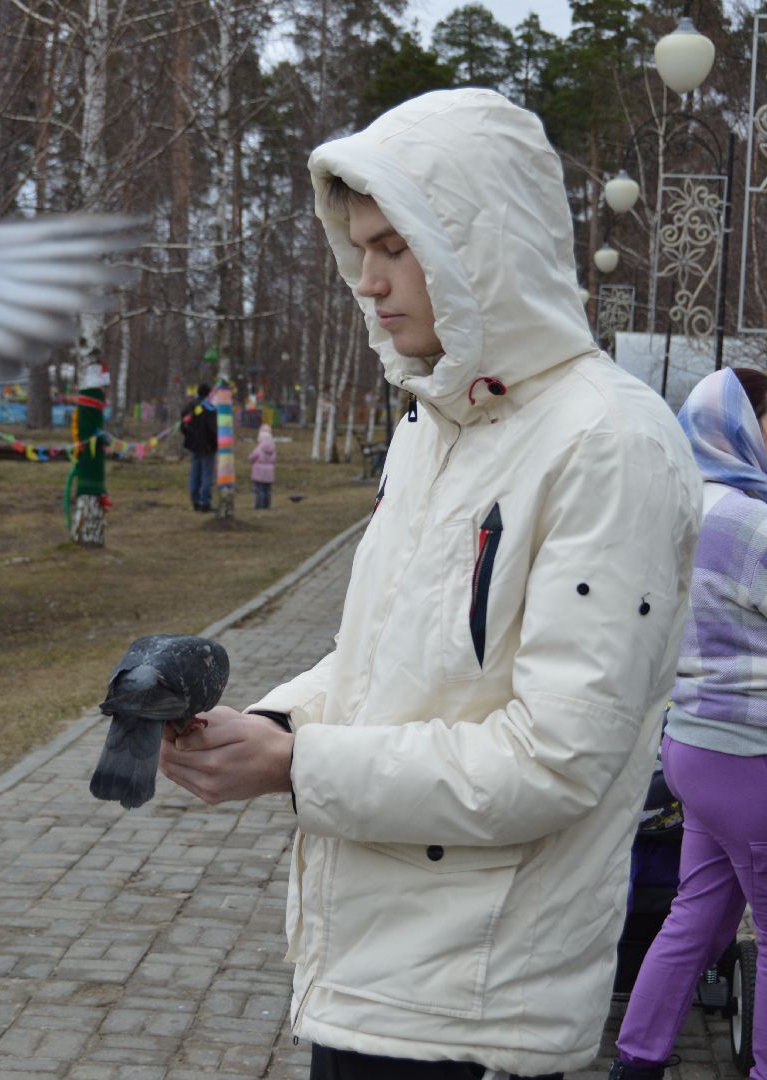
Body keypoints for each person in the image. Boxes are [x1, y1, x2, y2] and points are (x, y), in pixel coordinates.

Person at [158, 88, 702, 1079]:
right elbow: (388, 659)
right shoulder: (436, 424)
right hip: (373, 976)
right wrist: (268, 726)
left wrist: (296, 768)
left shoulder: (608, 443)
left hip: (475, 1011)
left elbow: (556, 760)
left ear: (478, 243)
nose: (365, 280)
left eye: (393, 247)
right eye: (357, 248)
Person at [610, 367, 767, 1080]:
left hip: (695, 743)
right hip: (754, 755)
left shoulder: (681, 507)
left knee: (697, 915)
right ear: (739, 428)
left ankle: (637, 1062)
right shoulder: (750, 522)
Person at [180, 382, 218, 512]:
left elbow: (183, 422)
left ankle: (195, 500)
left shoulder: (191, 406)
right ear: (208, 393)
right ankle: (205, 502)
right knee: (207, 473)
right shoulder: (210, 408)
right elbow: (213, 429)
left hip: (194, 445)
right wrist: (215, 442)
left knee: (195, 473)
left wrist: (189, 437)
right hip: (207, 445)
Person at [249, 423, 277, 509]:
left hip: (259, 472)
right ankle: (266, 505)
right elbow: (274, 459)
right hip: (269, 473)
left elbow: (252, 457)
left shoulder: (259, 448)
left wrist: (252, 460)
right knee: (267, 490)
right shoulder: (273, 449)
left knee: (259, 490)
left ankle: (259, 505)